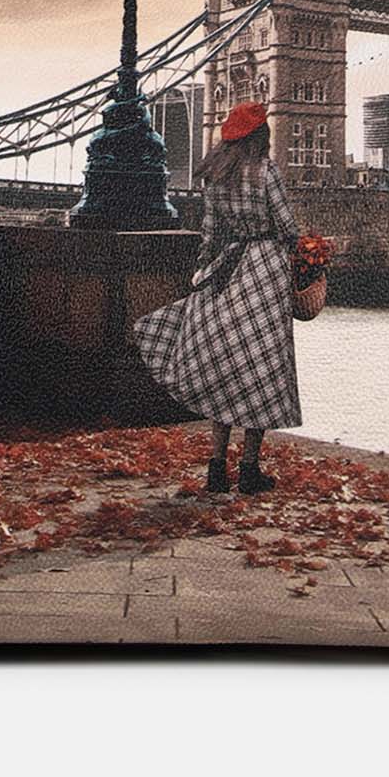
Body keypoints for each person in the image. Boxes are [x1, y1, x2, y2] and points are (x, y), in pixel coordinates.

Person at [134, 102, 301, 495]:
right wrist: (304, 253)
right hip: (265, 271)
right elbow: (287, 227)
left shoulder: (215, 176)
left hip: (227, 268)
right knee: (261, 370)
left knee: (223, 369)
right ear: (260, 136)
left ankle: (215, 468)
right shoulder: (265, 172)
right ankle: (249, 469)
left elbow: (210, 233)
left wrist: (202, 272)